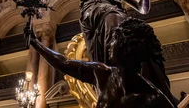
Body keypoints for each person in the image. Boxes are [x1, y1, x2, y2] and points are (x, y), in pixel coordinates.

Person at [26, 18, 178, 107]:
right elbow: (64, 63)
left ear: (127, 48)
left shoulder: (153, 97)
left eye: (114, 41)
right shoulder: (102, 72)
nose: (110, 45)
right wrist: (36, 43)